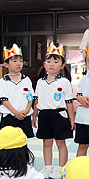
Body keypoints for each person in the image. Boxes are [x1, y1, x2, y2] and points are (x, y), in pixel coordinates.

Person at [32, 43, 75, 179]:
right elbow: (37, 101)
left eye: (56, 61)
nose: (52, 64)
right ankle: (48, 167)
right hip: (44, 115)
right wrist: (34, 115)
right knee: (46, 143)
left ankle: (61, 168)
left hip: (60, 115)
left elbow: (69, 103)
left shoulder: (64, 82)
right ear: (44, 64)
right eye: (49, 61)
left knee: (61, 142)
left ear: (62, 65)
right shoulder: (40, 82)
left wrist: (71, 119)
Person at [0, 43, 34, 138]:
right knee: (8, 143)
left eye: (21, 61)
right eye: (14, 61)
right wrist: (15, 112)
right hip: (9, 116)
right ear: (6, 64)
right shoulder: (3, 81)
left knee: (24, 142)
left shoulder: (26, 79)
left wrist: (26, 110)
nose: (18, 63)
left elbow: (30, 98)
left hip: (24, 116)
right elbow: (4, 100)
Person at [74, 45, 89, 157]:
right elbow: (79, 94)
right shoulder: (84, 79)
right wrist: (80, 98)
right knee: (82, 146)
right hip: (83, 119)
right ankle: (80, 170)